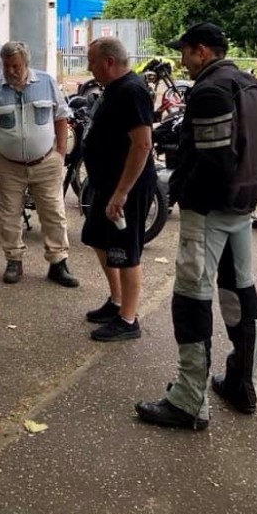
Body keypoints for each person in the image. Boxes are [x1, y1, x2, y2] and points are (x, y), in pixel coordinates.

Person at [136, 23, 257, 431]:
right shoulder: (255, 87)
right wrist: (249, 190)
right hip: (241, 207)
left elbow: (213, 160)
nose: (182, 59)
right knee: (240, 291)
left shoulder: (209, 90)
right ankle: (243, 384)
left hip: (209, 213)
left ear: (202, 51)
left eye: (185, 51)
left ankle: (188, 400)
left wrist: (183, 191)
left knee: (191, 299)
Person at [0, 40, 79, 287]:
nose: (11, 71)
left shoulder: (46, 83)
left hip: (46, 161)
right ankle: (13, 260)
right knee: (8, 215)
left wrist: (60, 151)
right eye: (7, 65)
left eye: (16, 66)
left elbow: (61, 116)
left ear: (26, 64)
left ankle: (58, 262)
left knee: (53, 212)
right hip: (8, 164)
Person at [81, 38, 156, 342]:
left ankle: (128, 319)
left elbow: (142, 144)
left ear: (108, 62)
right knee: (96, 237)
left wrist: (122, 192)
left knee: (126, 250)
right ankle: (116, 302)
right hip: (107, 184)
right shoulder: (115, 88)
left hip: (127, 188)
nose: (88, 66)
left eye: (91, 61)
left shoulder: (132, 91)